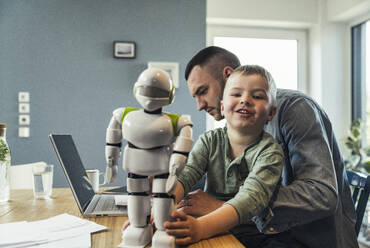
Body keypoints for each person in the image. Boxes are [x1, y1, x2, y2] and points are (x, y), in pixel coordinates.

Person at [165, 46, 359, 248]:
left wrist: (222, 208)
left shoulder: (295, 108)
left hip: (307, 241)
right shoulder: (228, 133)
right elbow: (205, 173)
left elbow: (321, 193)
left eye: (203, 92)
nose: (200, 105)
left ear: (228, 75)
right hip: (265, 235)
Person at [164, 64, 285, 246]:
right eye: (236, 94)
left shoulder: (270, 152)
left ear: (271, 113)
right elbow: (185, 176)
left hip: (254, 236)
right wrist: (161, 212)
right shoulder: (208, 141)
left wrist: (201, 228)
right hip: (204, 227)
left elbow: (250, 199)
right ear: (222, 107)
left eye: (257, 96)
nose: (245, 100)